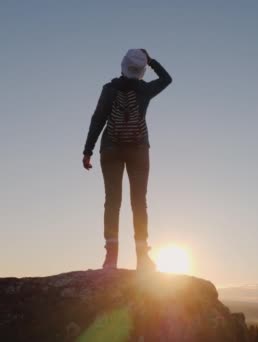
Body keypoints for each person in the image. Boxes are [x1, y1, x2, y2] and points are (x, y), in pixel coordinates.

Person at [82, 48, 172, 271]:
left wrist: (88, 150)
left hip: (110, 148)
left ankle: (110, 258)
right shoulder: (145, 90)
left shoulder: (109, 89)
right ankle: (143, 258)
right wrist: (151, 60)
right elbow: (167, 79)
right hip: (139, 149)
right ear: (142, 70)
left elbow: (98, 119)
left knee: (112, 201)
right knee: (139, 202)